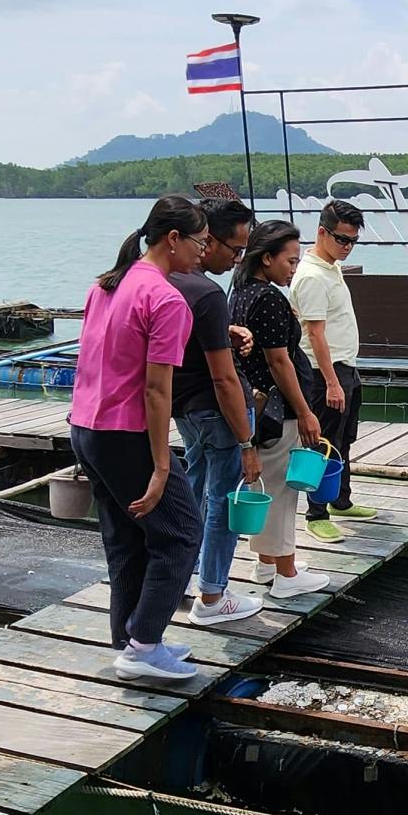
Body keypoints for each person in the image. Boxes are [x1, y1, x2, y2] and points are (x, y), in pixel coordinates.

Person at [69, 195, 208, 681]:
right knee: (182, 533)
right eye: (200, 241)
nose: (202, 252)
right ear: (173, 239)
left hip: (85, 427)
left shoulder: (107, 284)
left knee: (126, 537)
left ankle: (132, 634)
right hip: (125, 433)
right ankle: (143, 648)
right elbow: (155, 388)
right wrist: (163, 465)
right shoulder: (167, 298)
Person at [168, 197, 266, 625]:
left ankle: (184, 576)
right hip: (217, 409)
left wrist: (223, 329)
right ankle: (212, 596)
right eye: (235, 248)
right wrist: (247, 440)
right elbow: (225, 379)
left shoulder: (166, 281)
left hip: (183, 407)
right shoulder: (206, 292)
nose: (238, 258)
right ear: (206, 241)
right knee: (225, 500)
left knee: (195, 488)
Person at [229, 220, 329, 599]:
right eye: (289, 260)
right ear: (266, 258)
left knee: (266, 483)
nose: (293, 267)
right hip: (277, 406)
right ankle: (286, 574)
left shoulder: (239, 290)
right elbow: (279, 361)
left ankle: (267, 562)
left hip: (255, 404)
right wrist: (304, 411)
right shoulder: (268, 298)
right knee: (283, 488)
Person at [289, 200, 375, 543]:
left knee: (344, 438)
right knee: (321, 442)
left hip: (346, 365)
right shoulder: (310, 275)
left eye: (352, 240)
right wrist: (331, 381)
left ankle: (340, 499)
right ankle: (316, 511)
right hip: (323, 371)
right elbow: (314, 332)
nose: (347, 246)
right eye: (341, 239)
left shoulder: (331, 266)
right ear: (321, 232)